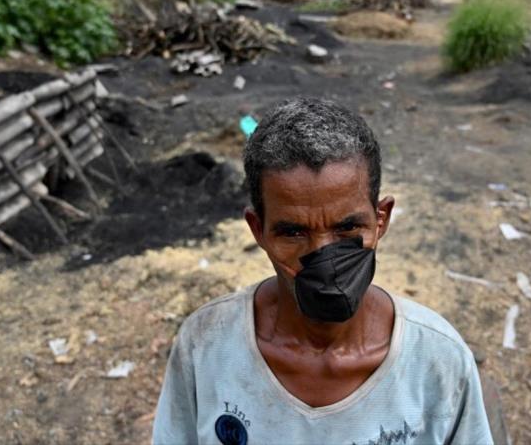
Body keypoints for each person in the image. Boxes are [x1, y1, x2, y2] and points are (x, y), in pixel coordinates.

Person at [153, 98, 493, 444]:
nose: (322, 258)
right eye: (293, 232)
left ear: (380, 221)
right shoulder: (207, 345)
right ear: (258, 231)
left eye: (347, 229)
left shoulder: (438, 361)